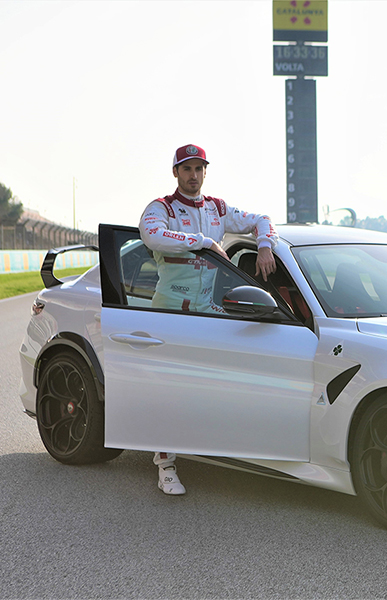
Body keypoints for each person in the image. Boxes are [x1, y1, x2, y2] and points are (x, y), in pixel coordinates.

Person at [138, 144, 279, 495]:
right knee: (168, 389)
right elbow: (151, 234)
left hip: (207, 310)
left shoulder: (218, 208)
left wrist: (264, 245)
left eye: (199, 168)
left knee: (217, 381)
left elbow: (262, 219)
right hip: (169, 310)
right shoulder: (161, 207)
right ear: (175, 172)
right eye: (187, 168)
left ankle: (223, 449)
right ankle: (166, 465)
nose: (193, 175)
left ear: (205, 171)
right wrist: (204, 243)